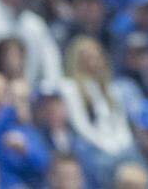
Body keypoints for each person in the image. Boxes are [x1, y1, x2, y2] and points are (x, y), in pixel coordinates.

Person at [58, 35, 137, 183]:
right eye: (87, 56)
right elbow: (81, 125)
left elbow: (121, 123)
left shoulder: (111, 89)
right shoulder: (70, 87)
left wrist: (122, 144)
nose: (92, 61)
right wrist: (105, 145)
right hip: (93, 146)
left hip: (116, 146)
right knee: (103, 162)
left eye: (96, 56)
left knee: (134, 159)